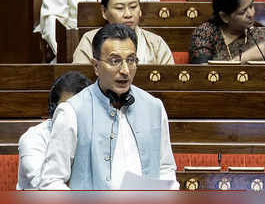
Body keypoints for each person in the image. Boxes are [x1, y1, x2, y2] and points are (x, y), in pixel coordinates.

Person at [39, 24, 178, 190]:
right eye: (115, 61)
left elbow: (166, 168)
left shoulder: (154, 107)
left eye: (131, 60)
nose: (125, 70)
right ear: (96, 66)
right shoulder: (72, 112)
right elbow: (51, 182)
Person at [16, 71, 91, 190]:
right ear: (53, 110)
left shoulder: (94, 132)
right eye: (68, 110)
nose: (73, 116)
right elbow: (45, 186)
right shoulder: (33, 139)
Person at [37, 0, 160, 63]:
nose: (127, 13)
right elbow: (51, 18)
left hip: (139, 51)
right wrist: (68, 56)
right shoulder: (86, 42)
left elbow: (156, 14)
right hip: (79, 49)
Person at [72, 0, 174, 65]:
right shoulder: (89, 40)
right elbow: (78, 83)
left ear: (140, 9)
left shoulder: (155, 43)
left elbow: (171, 83)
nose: (128, 14)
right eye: (119, 8)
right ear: (104, 11)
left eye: (133, 7)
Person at [189, 0, 265, 64]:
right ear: (224, 17)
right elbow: (201, 76)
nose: (251, 14)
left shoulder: (262, 35)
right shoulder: (205, 34)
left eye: (251, 6)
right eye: (243, 12)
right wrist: (245, 58)